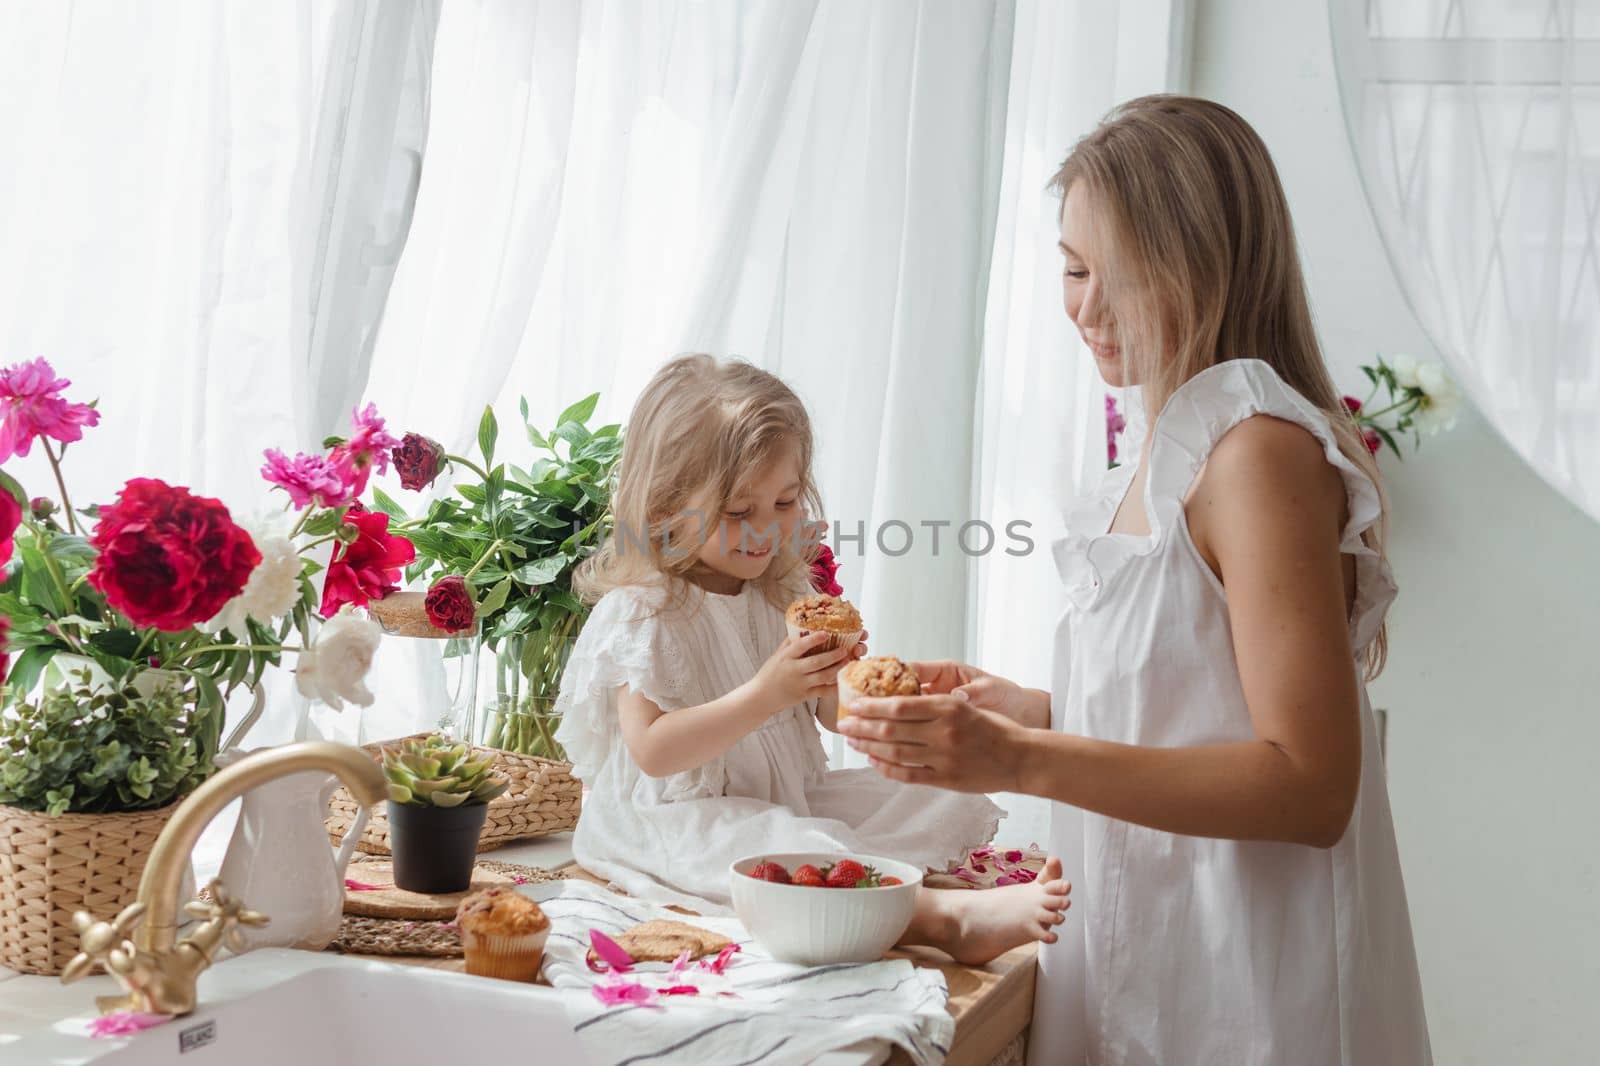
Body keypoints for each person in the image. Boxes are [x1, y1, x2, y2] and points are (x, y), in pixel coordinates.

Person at [840, 96, 1432, 1063]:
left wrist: (1019, 759)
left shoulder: (1257, 454)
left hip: (1242, 979)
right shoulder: (1165, 443)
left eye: (1123, 276)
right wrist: (1030, 711)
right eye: (1072, 270)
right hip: (1151, 948)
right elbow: (1201, 703)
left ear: (1208, 268)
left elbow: (1311, 787)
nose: (1086, 309)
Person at [554, 353, 1070, 963]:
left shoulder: (784, 589)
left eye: (786, 502)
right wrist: (769, 691)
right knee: (786, 844)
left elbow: (828, 713)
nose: (766, 530)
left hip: (786, 794)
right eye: (739, 512)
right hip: (676, 821)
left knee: (927, 792)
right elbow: (655, 751)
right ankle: (943, 921)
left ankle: (887, 886)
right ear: (666, 508)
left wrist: (872, 693)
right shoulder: (647, 609)